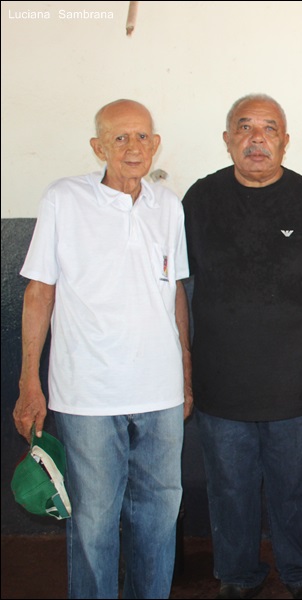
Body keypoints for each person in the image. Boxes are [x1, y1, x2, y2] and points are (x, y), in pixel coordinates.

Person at [182, 94, 302, 600]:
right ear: (227, 139)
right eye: (244, 127)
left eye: (269, 129)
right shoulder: (199, 200)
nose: (256, 139)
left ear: (285, 141)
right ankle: (238, 577)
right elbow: (171, 284)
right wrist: (184, 366)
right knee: (229, 493)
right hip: (219, 386)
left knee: (297, 492)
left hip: (297, 388)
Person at [12, 99, 192, 599]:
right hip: (87, 393)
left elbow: (175, 291)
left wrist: (185, 374)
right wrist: (29, 382)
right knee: (93, 520)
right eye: (120, 138)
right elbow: (39, 292)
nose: (133, 147)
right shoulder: (63, 199)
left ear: (156, 144)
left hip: (160, 392)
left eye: (142, 137)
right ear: (98, 147)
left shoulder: (168, 206)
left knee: (159, 515)